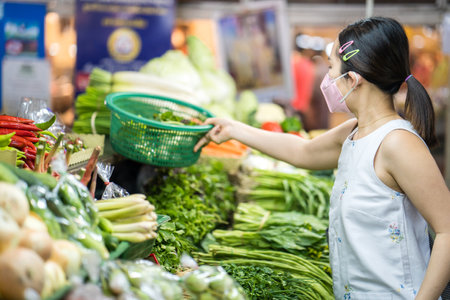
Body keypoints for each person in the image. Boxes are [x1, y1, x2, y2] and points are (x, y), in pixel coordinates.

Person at [195, 17, 450, 299]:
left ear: (353, 80)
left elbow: (447, 231)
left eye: (331, 69)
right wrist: (234, 130)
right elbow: (302, 151)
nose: (327, 79)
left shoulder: (398, 144)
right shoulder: (353, 132)